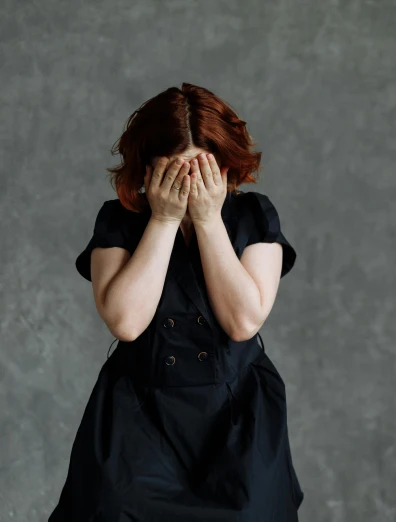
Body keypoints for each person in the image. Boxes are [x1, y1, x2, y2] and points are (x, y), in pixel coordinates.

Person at [49, 83, 304, 521]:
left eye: (202, 170)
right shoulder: (118, 221)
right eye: (175, 171)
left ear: (226, 167)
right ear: (147, 169)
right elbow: (126, 322)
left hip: (237, 413)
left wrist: (206, 220)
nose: (190, 184)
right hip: (138, 414)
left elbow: (243, 321)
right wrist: (165, 218)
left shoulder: (254, 216)